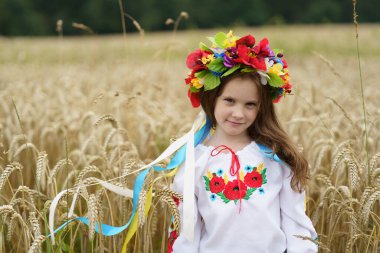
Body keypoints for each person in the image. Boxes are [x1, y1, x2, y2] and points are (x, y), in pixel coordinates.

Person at [167, 31, 318, 253]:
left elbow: (297, 227)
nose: (238, 113)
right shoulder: (194, 162)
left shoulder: (277, 157)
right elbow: (186, 234)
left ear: (261, 108)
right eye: (229, 100)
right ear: (212, 99)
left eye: (250, 104)